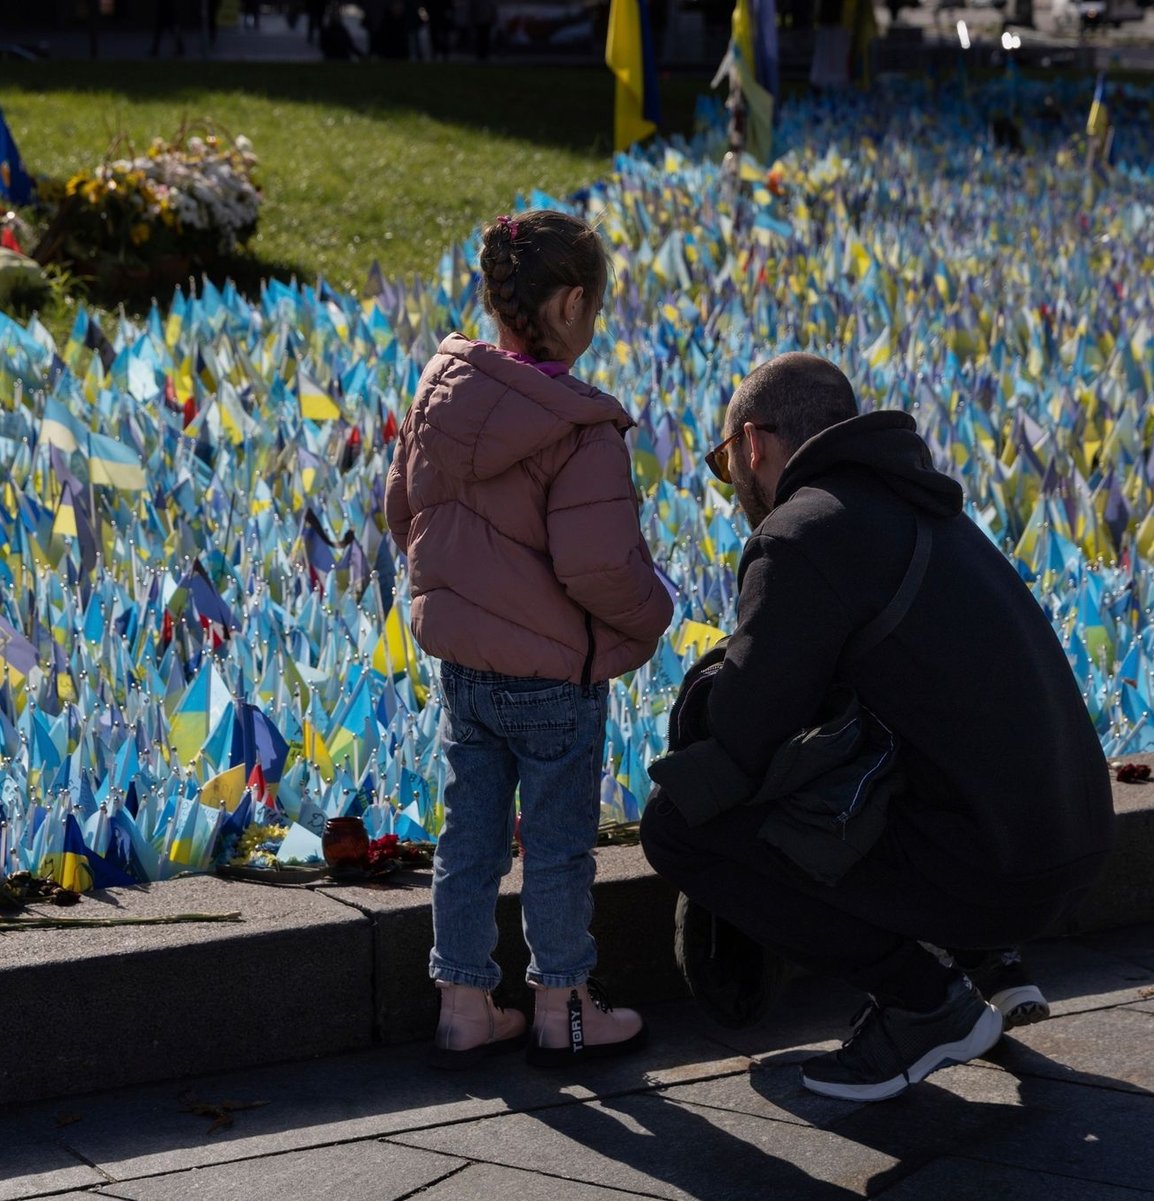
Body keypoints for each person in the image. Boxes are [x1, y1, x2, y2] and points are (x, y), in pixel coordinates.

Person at [640, 353, 1114, 1103]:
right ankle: (985, 958)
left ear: (752, 444)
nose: (729, 481)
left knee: (676, 826)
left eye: (723, 461)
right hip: (1071, 846)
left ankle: (925, 1003)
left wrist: (702, 686)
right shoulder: (931, 507)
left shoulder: (799, 533)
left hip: (998, 869)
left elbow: (744, 730)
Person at [385, 211, 674, 1069]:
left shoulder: (442, 395)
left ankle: (465, 1005)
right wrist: (652, 609)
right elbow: (595, 567)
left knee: (467, 836)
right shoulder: (579, 429)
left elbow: (402, 511)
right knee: (555, 847)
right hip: (554, 683)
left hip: (465, 672)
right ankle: (565, 1007)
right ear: (572, 304)